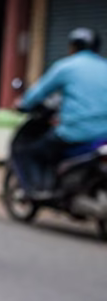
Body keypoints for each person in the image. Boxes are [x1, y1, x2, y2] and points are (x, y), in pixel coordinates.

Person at [14, 27, 107, 198]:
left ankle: (40, 189)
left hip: (75, 133)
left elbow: (36, 93)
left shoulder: (66, 67)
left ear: (72, 47)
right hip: (103, 137)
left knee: (31, 152)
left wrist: (23, 104)